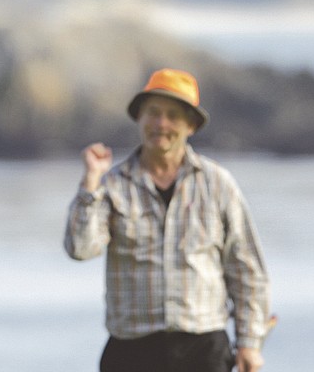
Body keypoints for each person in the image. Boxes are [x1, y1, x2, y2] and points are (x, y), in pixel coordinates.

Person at [64, 68, 270, 372]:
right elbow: (81, 248)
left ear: (190, 125)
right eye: (153, 113)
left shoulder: (218, 183)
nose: (161, 123)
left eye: (173, 115)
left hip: (205, 348)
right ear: (140, 118)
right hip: (130, 349)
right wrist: (90, 181)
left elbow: (246, 268)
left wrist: (249, 342)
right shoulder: (111, 183)